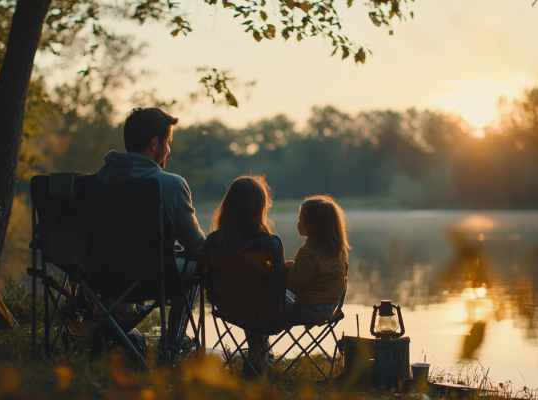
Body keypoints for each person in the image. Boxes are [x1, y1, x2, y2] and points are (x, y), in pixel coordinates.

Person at [96, 107, 205, 363]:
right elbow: (196, 246)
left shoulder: (97, 183)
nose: (168, 150)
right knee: (196, 263)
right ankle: (171, 347)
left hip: (102, 277)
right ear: (154, 143)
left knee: (119, 259)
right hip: (155, 277)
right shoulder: (170, 184)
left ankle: (117, 332)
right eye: (167, 143)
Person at [203, 174, 285, 377]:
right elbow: (278, 283)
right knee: (260, 299)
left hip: (226, 305)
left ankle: (257, 359)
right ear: (260, 208)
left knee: (252, 297)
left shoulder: (213, 242)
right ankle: (261, 360)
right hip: (263, 309)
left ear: (228, 206)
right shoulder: (269, 244)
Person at [283, 195, 349, 327]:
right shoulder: (339, 252)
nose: (297, 224)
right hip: (329, 309)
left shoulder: (308, 253)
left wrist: (284, 271)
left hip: (308, 311)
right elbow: (318, 279)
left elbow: (294, 285)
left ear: (309, 227)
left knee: (261, 300)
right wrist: (297, 268)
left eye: (300, 220)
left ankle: (260, 348)